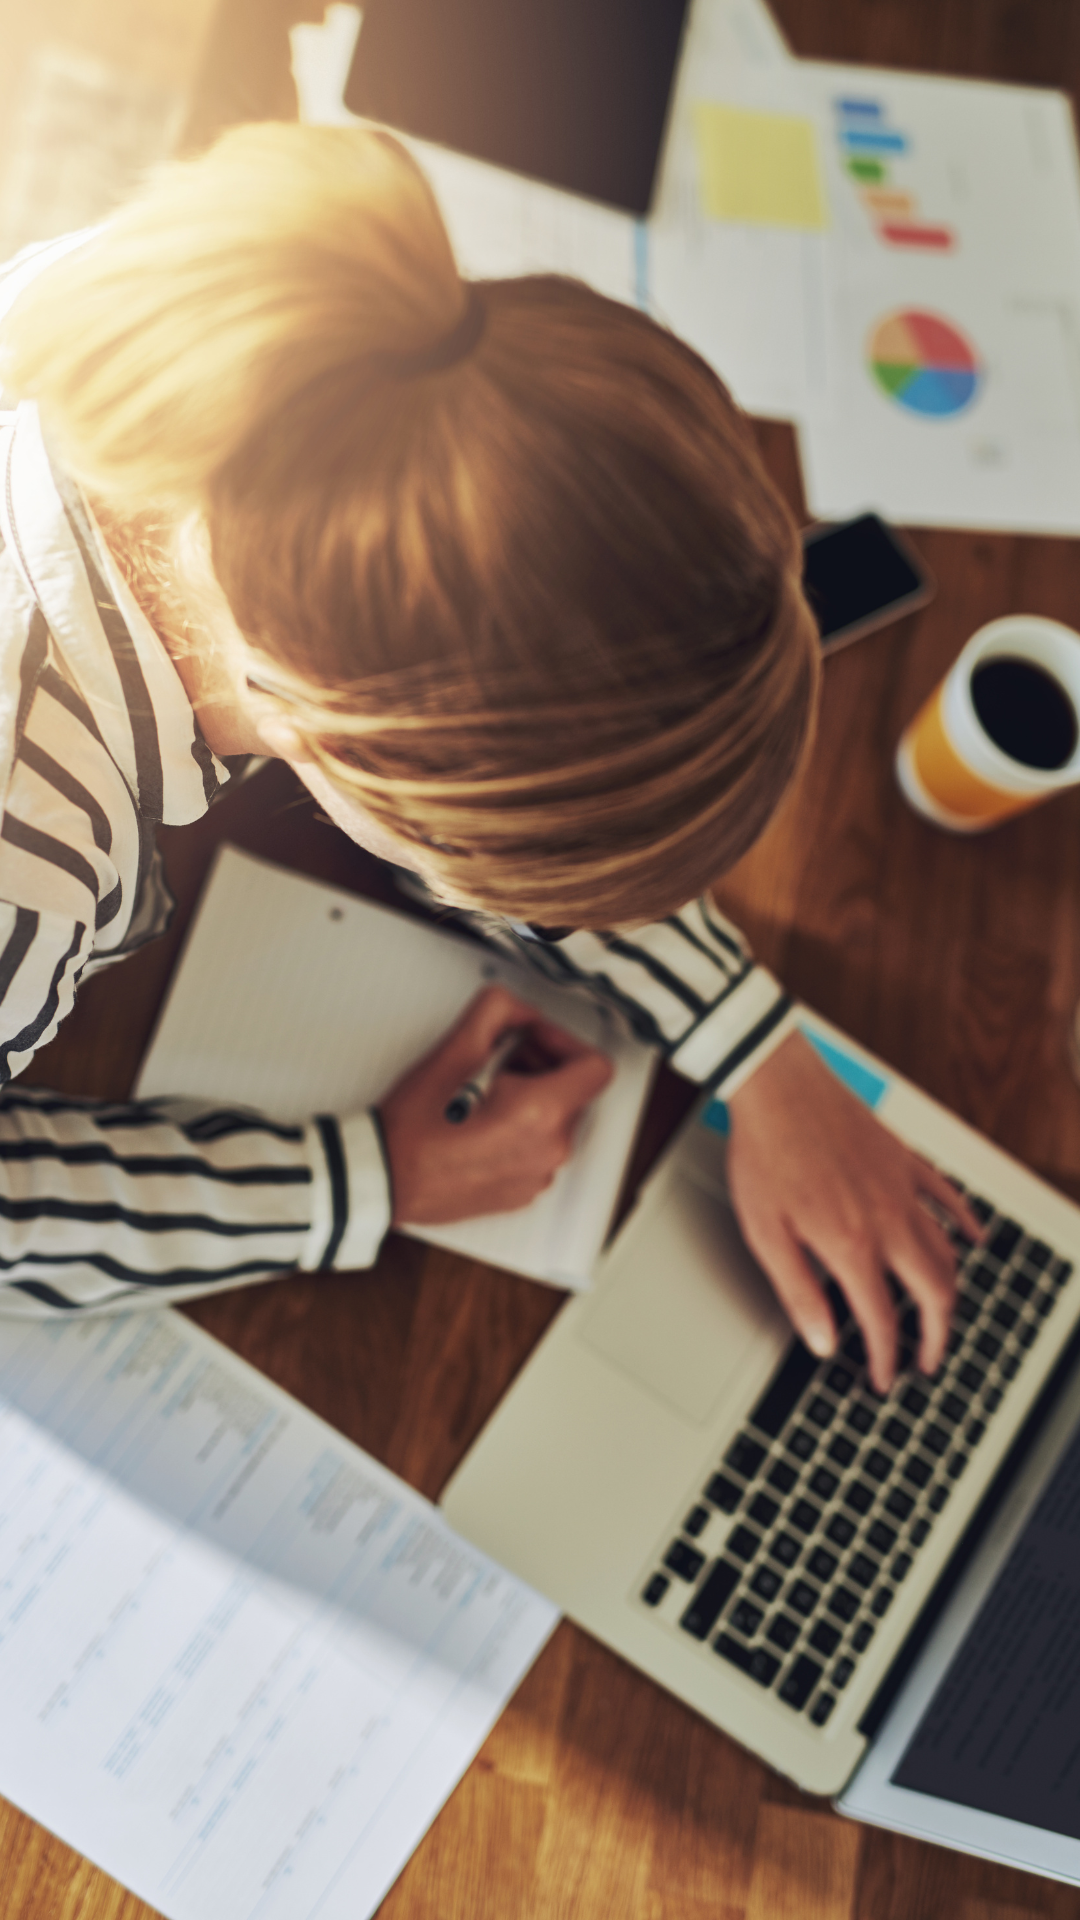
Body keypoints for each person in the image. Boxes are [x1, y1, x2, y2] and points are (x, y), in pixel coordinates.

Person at [0, 121, 977, 1386]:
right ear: (346, 755)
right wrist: (364, 1182)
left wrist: (760, 1048)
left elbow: (484, 650)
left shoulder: (268, 334)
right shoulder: (25, 883)